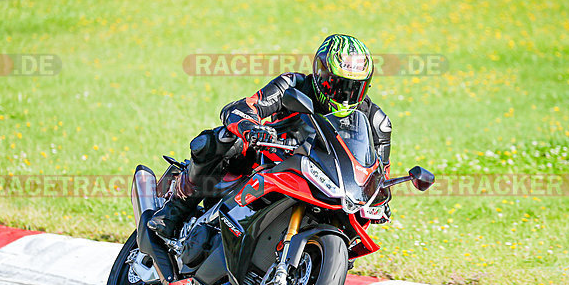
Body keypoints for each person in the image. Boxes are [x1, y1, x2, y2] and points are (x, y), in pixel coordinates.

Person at [148, 34, 393, 238]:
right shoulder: (292, 84)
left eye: (354, 88)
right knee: (221, 140)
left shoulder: (374, 119)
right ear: (320, 74)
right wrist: (251, 129)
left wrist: (380, 198)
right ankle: (174, 211)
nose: (345, 95)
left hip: (326, 180)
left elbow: (378, 171)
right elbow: (239, 109)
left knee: (354, 223)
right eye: (336, 85)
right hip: (269, 159)